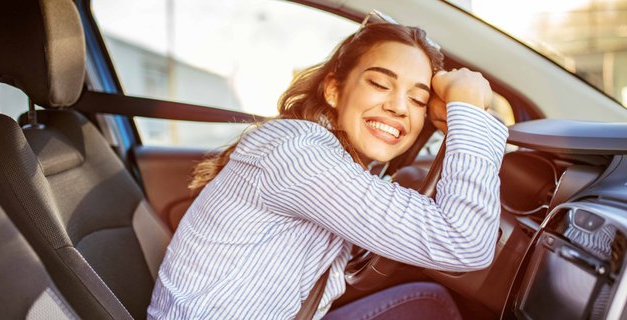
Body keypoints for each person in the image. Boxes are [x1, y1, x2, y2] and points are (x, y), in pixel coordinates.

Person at [147, 14, 508, 320]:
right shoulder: (300, 155)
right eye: (381, 84)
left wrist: (460, 122)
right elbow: (464, 244)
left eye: (417, 99)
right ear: (334, 89)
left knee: (429, 302)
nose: (400, 107)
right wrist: (471, 114)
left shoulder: (333, 153)